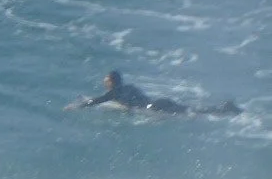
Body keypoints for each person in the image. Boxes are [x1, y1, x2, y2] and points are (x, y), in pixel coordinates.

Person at [69, 69, 239, 116]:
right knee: (190, 109)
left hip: (154, 108)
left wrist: (75, 106)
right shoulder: (129, 87)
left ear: (111, 82)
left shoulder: (113, 93)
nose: (103, 81)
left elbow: (95, 102)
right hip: (159, 101)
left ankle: (223, 110)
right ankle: (224, 108)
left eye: (106, 79)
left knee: (190, 113)